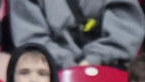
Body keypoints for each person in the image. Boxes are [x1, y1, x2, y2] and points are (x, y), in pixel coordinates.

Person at [10, 0, 145, 71]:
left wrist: (93, 59)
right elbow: (32, 39)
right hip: (51, 71)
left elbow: (125, 31)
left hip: (111, 67)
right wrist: (70, 65)